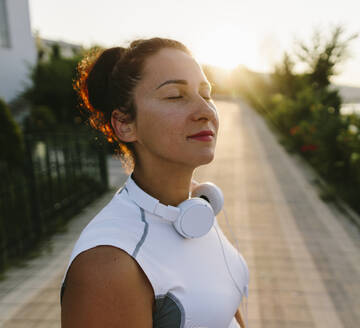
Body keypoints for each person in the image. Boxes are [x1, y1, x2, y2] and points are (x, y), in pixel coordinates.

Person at [60, 37, 249, 328]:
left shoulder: (196, 207)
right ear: (125, 124)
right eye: (175, 96)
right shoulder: (108, 265)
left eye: (206, 94)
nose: (206, 112)